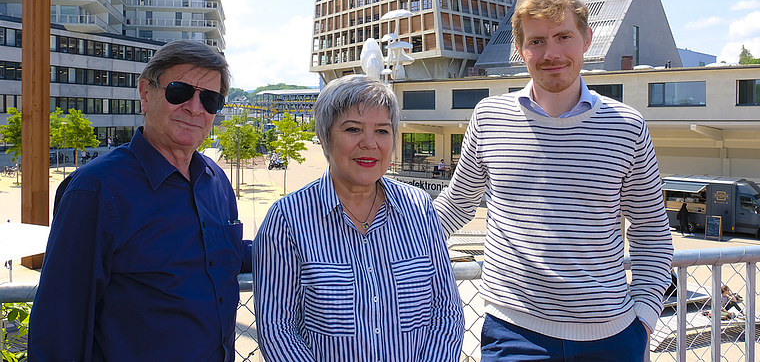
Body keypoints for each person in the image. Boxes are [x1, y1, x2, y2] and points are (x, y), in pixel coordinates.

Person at [433, 0, 673, 362]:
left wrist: (643, 321)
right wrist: (380, 229)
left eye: (564, 37)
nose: (552, 53)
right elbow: (455, 207)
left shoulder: (627, 126)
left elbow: (652, 233)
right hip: (513, 335)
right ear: (520, 48)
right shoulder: (489, 117)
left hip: (612, 338)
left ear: (586, 40)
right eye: (537, 41)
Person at [29, 40, 252, 362]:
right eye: (179, 92)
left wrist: (296, 246)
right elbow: (59, 321)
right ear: (146, 93)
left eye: (210, 99)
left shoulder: (215, 181)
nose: (194, 107)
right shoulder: (95, 190)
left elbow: (220, 254)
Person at [253, 75, 464, 362]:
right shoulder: (287, 221)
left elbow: (446, 311)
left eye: (382, 131)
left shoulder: (419, 210)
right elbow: (278, 329)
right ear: (325, 136)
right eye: (353, 129)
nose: (369, 143)